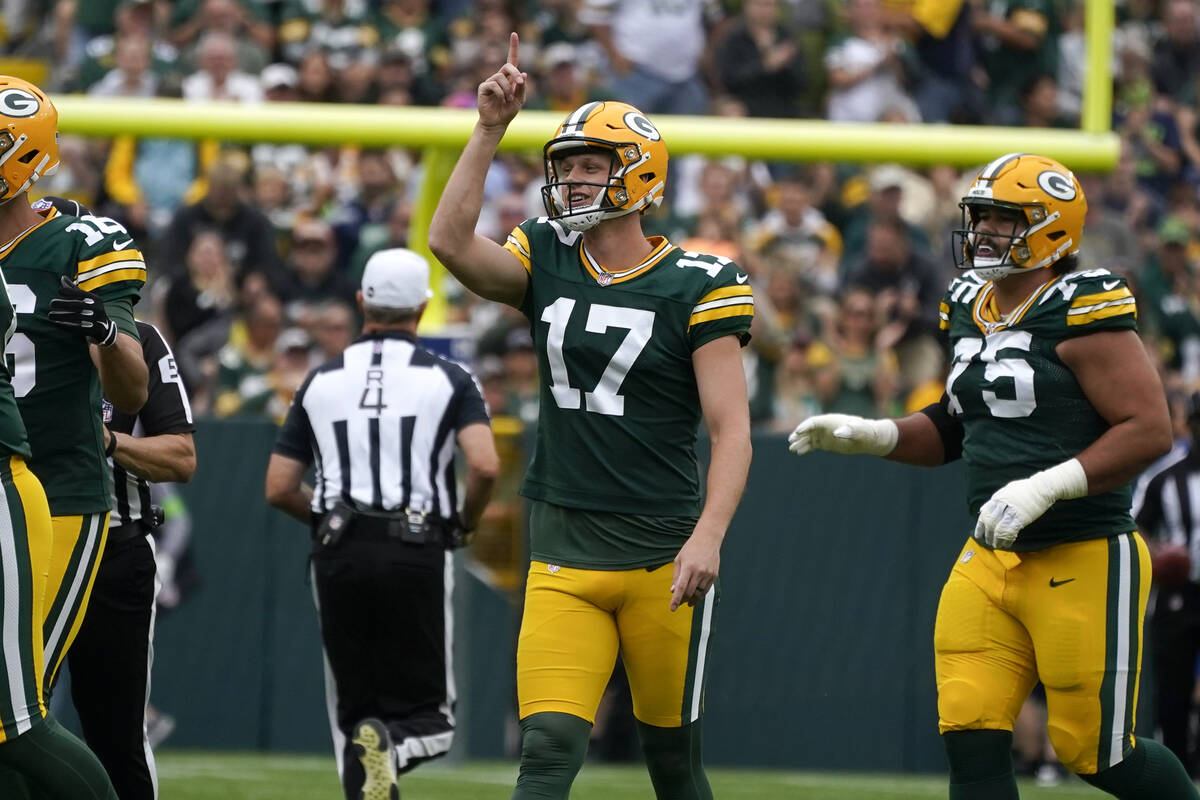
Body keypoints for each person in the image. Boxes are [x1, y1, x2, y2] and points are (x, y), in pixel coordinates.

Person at [787, 152, 1200, 799]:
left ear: (1052, 230)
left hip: (1084, 552)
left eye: (1003, 220)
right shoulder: (964, 304)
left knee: (1096, 753)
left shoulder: (1081, 304)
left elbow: (1148, 428)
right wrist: (879, 435)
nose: (982, 233)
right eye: (978, 218)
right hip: (991, 559)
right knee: (971, 731)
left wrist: (1045, 485)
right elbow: (958, 426)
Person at [427, 34, 753, 800]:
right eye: (565, 166)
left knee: (673, 765)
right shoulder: (546, 252)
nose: (570, 180)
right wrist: (488, 130)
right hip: (564, 550)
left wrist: (708, 537)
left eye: (588, 166)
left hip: (660, 556)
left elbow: (731, 428)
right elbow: (448, 242)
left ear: (637, 176)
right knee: (546, 749)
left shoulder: (696, 281)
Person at [264, 248, 499, 800]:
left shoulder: (319, 380)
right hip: (417, 542)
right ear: (422, 307)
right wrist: (463, 523)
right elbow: (485, 464)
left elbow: (278, 486)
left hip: (337, 549)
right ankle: (394, 745)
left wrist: (329, 520)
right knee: (430, 723)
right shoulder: (450, 379)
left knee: (356, 721)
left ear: (361, 301)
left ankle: (378, 746)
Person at [0, 76, 120, 800]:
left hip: (54, 484)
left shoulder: (80, 240)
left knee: (17, 710)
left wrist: (105, 331)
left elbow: (130, 388)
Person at [68, 315, 197, 800]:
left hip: (112, 545)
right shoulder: (13, 323)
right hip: (25, 544)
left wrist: (108, 441)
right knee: (16, 720)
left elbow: (182, 458)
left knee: (115, 733)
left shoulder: (137, 337)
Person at [1133, 391, 1200, 776]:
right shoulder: (1165, 477)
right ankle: (1176, 769)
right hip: (1177, 594)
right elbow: (1135, 525)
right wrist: (1159, 555)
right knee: (1172, 689)